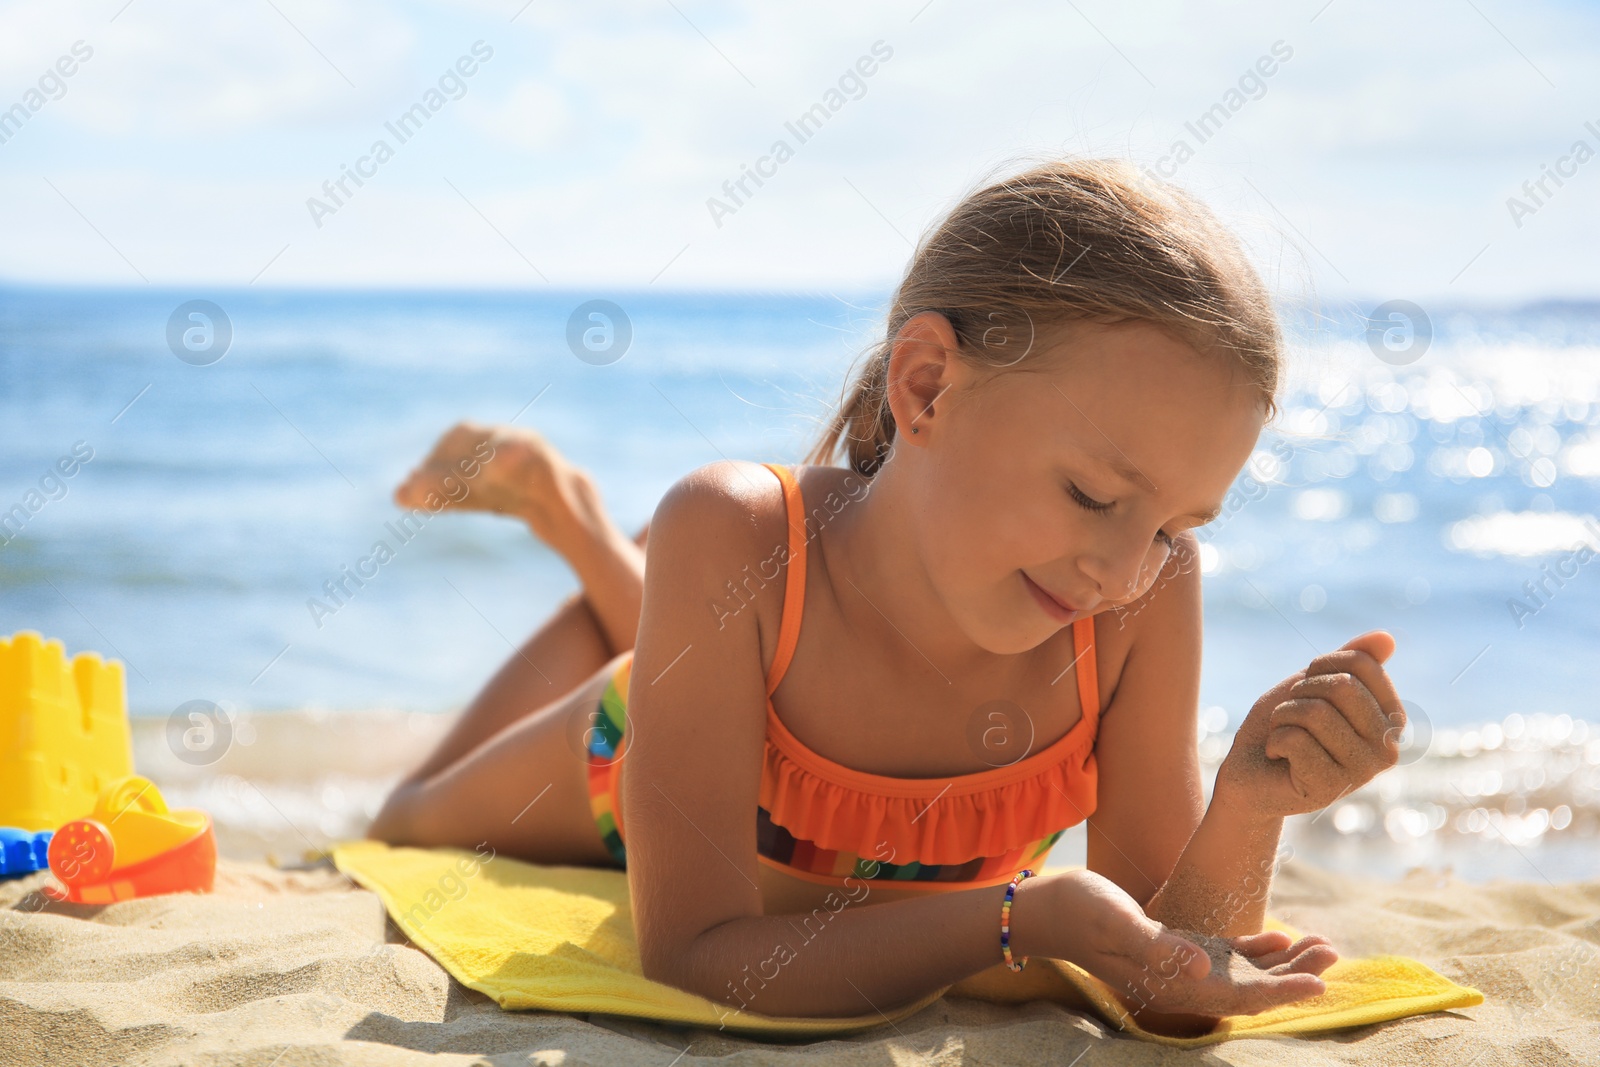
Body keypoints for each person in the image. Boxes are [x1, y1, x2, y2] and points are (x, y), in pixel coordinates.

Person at [368, 157, 1405, 1037]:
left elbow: (1163, 966)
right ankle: (570, 514)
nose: (1125, 568)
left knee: (724, 621)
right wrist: (1015, 919)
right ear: (925, 388)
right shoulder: (729, 528)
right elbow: (694, 951)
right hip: (629, 747)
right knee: (406, 823)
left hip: (750, 637)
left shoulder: (1142, 598)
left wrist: (1248, 805)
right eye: (1092, 494)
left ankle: (628, 572)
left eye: (1176, 524)